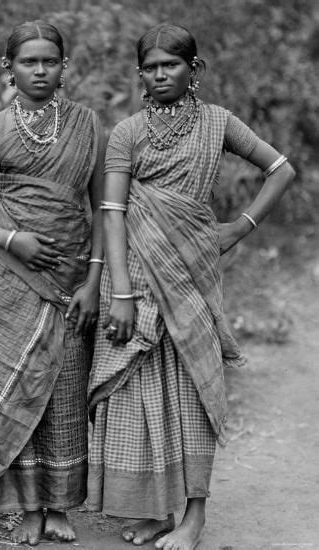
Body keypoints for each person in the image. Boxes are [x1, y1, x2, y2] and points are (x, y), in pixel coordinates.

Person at [87, 23, 295, 550]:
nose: (161, 74)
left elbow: (281, 169)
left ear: (193, 69)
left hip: (193, 271)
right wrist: (121, 294)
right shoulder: (127, 132)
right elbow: (111, 212)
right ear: (140, 75)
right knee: (136, 390)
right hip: (132, 271)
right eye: (151, 67)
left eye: (171, 65)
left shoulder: (220, 123)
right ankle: (156, 511)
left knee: (193, 388)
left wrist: (240, 227)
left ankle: (194, 516)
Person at [0, 20, 104, 546]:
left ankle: (59, 506)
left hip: (70, 278)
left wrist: (93, 280)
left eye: (50, 61)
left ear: (65, 66)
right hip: (8, 277)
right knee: (15, 385)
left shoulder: (87, 126)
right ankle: (25, 507)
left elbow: (103, 208)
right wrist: (12, 239)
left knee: (62, 386)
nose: (40, 70)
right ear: (8, 67)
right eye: (28, 61)